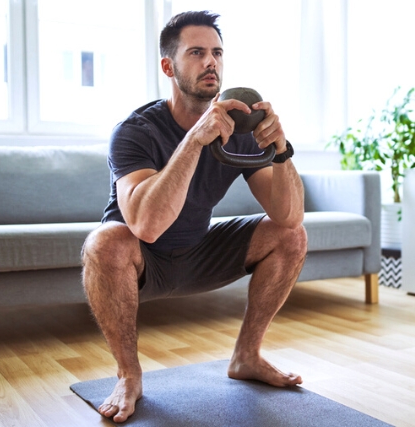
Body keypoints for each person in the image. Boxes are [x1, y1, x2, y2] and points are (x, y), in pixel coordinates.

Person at [81, 10, 307, 423]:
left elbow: (288, 217)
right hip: (140, 260)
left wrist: (281, 148)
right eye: (197, 52)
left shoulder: (239, 129)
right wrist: (195, 139)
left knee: (291, 236)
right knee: (103, 242)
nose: (211, 63)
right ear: (169, 66)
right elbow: (146, 225)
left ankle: (247, 356)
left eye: (217, 53)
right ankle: (128, 374)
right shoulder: (136, 131)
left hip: (198, 253)